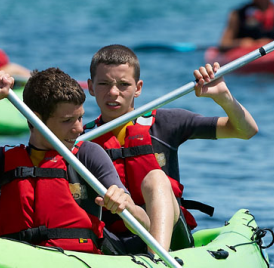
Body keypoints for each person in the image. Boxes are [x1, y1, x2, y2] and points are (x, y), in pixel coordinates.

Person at [0, 66, 150, 255]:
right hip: (20, 260)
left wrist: (126, 207)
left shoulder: (88, 155)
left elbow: (144, 224)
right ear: (36, 119)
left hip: (82, 261)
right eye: (67, 120)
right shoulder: (4, 159)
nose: (79, 129)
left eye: (80, 118)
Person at [85, 44, 258, 253]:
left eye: (123, 84)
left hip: (172, 238)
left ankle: (158, 259)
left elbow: (246, 130)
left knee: (156, 178)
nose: (113, 92)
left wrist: (223, 97)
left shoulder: (166, 122)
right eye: (103, 83)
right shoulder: (80, 139)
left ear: (138, 88)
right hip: (113, 239)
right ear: (91, 87)